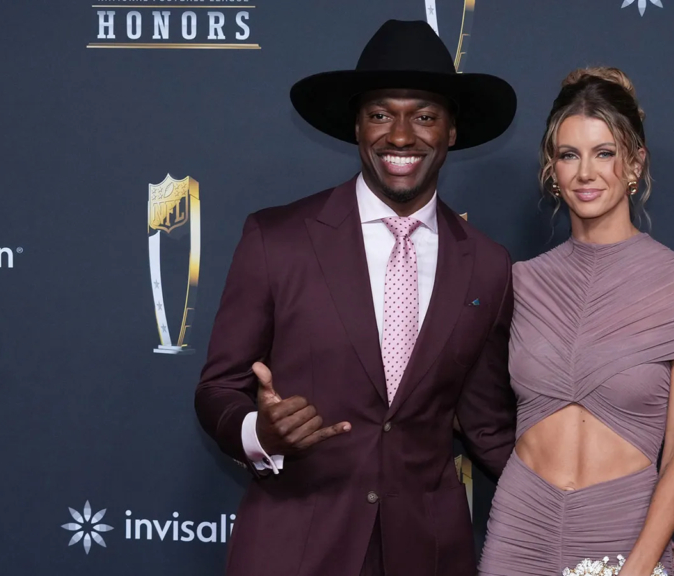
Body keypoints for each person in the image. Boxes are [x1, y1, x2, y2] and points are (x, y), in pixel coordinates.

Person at [194, 20, 519, 576]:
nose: (401, 136)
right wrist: (259, 432)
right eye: (380, 115)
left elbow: (486, 424)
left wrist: (582, 504)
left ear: (451, 131)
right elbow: (218, 388)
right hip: (296, 547)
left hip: (427, 553)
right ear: (356, 126)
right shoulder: (277, 239)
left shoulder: (488, 265)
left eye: (424, 116)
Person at [478, 67, 674, 576]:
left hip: (625, 529)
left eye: (604, 152)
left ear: (635, 163)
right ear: (552, 169)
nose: (585, 172)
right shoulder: (520, 282)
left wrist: (638, 566)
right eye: (569, 155)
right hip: (520, 528)